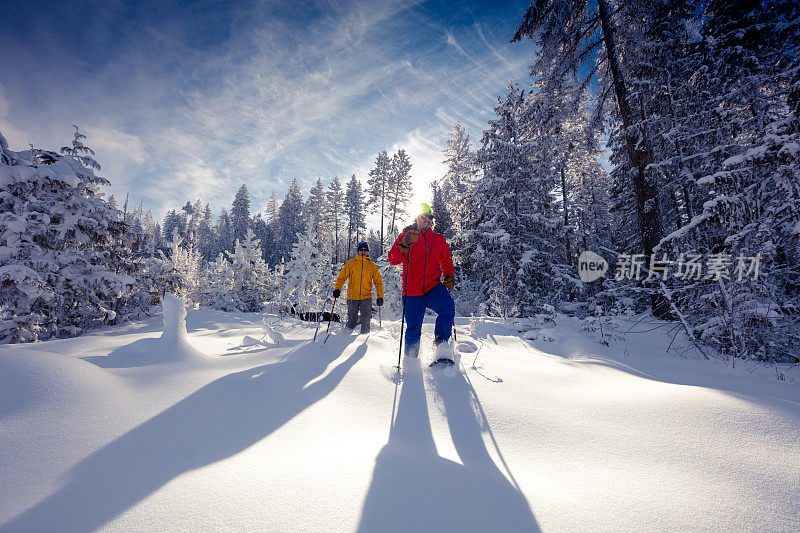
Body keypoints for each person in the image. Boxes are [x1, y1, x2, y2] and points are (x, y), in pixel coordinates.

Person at [388, 203, 456, 361]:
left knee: (448, 307)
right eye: (423, 216)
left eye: (429, 217)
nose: (426, 219)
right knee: (413, 328)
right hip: (412, 291)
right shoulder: (407, 236)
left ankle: (441, 349)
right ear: (417, 218)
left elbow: (446, 260)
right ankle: (411, 361)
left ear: (432, 221)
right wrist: (404, 243)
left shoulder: (438, 239)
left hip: (433, 287)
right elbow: (393, 259)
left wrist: (449, 275)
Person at [333, 242, 384, 334]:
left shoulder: (372, 266)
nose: (363, 252)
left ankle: (365, 337)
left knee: (365, 322)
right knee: (351, 322)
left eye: (365, 250)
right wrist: (337, 289)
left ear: (368, 251)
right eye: (361, 250)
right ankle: (345, 340)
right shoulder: (351, 263)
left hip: (366, 297)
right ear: (358, 251)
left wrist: (380, 296)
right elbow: (341, 277)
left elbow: (378, 282)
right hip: (352, 297)